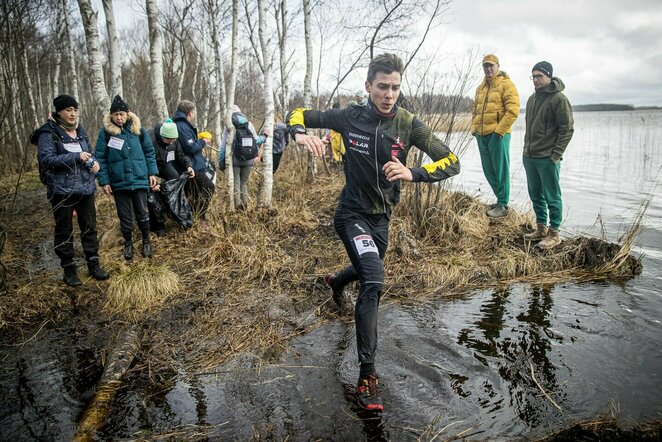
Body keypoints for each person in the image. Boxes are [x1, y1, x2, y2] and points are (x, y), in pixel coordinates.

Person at [287, 53, 460, 412]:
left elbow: (451, 160)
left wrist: (414, 173)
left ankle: (336, 282)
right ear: (369, 86)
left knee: (368, 270)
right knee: (374, 280)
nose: (390, 94)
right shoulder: (350, 116)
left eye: (395, 87)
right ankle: (367, 375)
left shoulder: (409, 124)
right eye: (383, 86)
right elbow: (298, 114)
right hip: (351, 215)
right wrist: (300, 135)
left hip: (382, 220)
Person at [34, 95, 109, 286]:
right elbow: (47, 160)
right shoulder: (48, 133)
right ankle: (69, 270)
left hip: (85, 189)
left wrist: (94, 165)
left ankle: (94, 264)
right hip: (61, 191)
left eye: (75, 110)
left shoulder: (80, 130)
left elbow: (87, 153)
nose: (73, 113)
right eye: (68, 110)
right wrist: (76, 157)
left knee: (89, 227)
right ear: (58, 113)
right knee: (64, 230)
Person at [96, 95, 159, 260]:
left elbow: (149, 152)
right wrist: (104, 181)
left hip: (139, 178)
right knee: (124, 216)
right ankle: (128, 243)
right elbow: (100, 158)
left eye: (121, 114)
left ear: (128, 114)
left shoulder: (138, 130)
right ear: (111, 116)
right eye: (115, 114)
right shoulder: (106, 133)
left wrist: (152, 173)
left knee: (143, 212)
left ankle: (146, 241)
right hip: (119, 182)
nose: (119, 117)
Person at [523, 61, 574, 249]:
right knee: (535, 194)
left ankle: (554, 233)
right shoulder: (531, 99)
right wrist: (526, 151)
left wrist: (555, 156)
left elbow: (567, 130)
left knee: (551, 195)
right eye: (533, 76)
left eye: (539, 76)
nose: (536, 80)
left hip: (547, 158)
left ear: (549, 76)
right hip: (530, 156)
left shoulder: (559, 99)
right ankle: (541, 228)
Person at [470, 54, 520, 218]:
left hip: (498, 134)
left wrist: (500, 130)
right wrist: (474, 129)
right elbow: (475, 110)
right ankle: (500, 200)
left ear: (498, 66)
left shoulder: (506, 85)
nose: (489, 68)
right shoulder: (481, 88)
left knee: (501, 170)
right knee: (488, 169)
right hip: (482, 134)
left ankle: (503, 205)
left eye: (491, 65)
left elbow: (513, 111)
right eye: (486, 66)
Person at [147, 118, 195, 235]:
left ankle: (175, 212)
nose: (171, 142)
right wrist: (152, 181)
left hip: (164, 164)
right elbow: (143, 161)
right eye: (168, 140)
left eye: (173, 140)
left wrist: (188, 166)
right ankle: (157, 224)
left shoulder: (174, 140)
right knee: (151, 195)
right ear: (162, 136)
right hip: (149, 167)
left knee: (175, 179)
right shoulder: (150, 139)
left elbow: (180, 155)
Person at [172, 100, 215, 218]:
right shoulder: (182, 126)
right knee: (209, 187)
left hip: (192, 164)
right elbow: (190, 147)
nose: (194, 115)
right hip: (192, 166)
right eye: (194, 112)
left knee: (194, 192)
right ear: (190, 113)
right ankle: (200, 215)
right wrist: (202, 142)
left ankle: (192, 216)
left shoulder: (182, 124)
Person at [221, 105, 267, 210]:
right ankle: (245, 206)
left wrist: (221, 161)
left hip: (235, 159)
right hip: (249, 159)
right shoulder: (249, 124)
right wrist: (265, 136)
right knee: (244, 183)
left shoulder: (229, 125)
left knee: (236, 183)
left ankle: (238, 207)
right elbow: (256, 140)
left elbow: (223, 146)